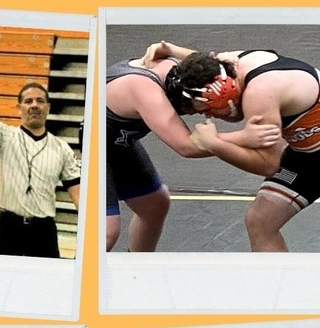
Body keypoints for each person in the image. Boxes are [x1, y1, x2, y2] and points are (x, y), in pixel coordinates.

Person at [152, 42, 320, 252]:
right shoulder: (228, 66)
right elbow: (204, 63)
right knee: (260, 221)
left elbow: (269, 165)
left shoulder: (259, 93)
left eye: (207, 109)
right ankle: (283, 284)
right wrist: (171, 50)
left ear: (223, 95)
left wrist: (216, 144)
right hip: (308, 150)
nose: (208, 115)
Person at [106, 52, 280, 251]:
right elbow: (186, 147)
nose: (205, 114)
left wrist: (170, 46)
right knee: (106, 232)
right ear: (188, 95)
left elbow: (215, 63)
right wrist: (244, 137)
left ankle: (136, 271)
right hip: (84, 144)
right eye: (204, 107)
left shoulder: (190, 71)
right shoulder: (144, 90)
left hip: (115, 143)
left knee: (154, 205)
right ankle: (71, 278)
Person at [0, 41, 81, 257]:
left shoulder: (62, 148)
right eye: (28, 101)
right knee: (3, 285)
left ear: (48, 107)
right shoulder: (3, 136)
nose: (34, 105)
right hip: (7, 227)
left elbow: (78, 196)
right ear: (18, 107)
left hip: (43, 230)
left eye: (40, 101)